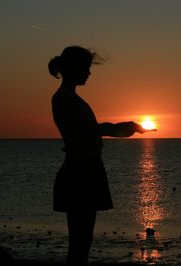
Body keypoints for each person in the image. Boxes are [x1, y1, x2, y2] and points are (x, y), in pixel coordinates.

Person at [48, 46, 151, 265]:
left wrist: (123, 128)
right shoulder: (65, 99)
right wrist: (124, 128)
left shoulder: (68, 98)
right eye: (85, 68)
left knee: (82, 240)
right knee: (80, 240)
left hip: (86, 168)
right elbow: (90, 130)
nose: (88, 73)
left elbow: (92, 130)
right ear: (73, 68)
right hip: (80, 170)